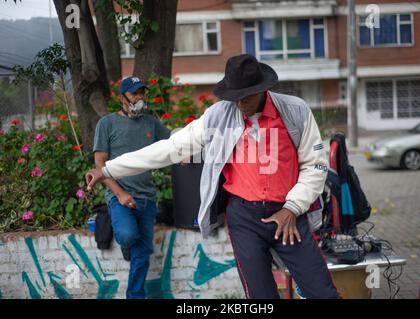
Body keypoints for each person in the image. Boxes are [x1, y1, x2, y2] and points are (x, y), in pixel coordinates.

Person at [86, 55, 339, 299]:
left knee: (321, 290)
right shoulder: (219, 115)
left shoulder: (294, 112)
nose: (239, 103)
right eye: (234, 96)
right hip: (244, 218)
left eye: (245, 96)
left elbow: (315, 165)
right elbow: (170, 149)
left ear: (262, 88)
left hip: (288, 215)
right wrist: (108, 170)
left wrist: (293, 207)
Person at [92, 76, 170, 299]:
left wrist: (184, 152)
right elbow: (100, 166)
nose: (140, 98)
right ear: (122, 98)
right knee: (127, 236)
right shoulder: (106, 124)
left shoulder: (150, 122)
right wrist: (121, 193)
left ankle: (135, 296)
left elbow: (171, 143)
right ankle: (127, 241)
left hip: (147, 198)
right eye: (135, 93)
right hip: (120, 196)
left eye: (142, 93)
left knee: (142, 255)